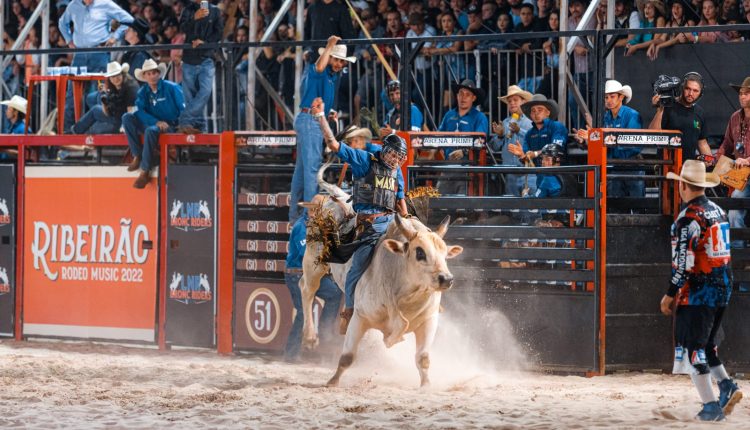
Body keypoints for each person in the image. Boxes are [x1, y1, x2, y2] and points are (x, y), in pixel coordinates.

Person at [310, 97, 408, 335]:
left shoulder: (397, 173)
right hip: (370, 226)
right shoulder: (364, 161)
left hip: (391, 222)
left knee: (418, 253)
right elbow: (334, 144)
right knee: (356, 270)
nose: (396, 160)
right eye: (393, 155)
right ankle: (350, 310)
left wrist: (408, 223)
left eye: (399, 157)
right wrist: (321, 118)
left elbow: (400, 197)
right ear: (385, 151)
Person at [661, 160, 742, 421]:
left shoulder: (687, 220)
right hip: (723, 287)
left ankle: (710, 406)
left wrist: (670, 293)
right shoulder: (717, 210)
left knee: (693, 347)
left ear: (683, 186)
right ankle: (726, 385)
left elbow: (683, 263)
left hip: (699, 292)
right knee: (707, 344)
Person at [288, 36, 355, 224]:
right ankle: (308, 218)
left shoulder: (330, 77)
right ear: (330, 58)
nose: (340, 64)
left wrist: (329, 112)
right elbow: (319, 66)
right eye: (337, 60)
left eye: (342, 61)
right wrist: (330, 46)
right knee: (311, 170)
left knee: (302, 170)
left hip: (310, 118)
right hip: (310, 120)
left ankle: (296, 217)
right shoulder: (318, 70)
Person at [58, 0, 134, 132]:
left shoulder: (105, 3)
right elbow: (62, 23)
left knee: (101, 93)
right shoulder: (73, 5)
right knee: (72, 94)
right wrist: (69, 40)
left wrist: (114, 37)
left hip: (99, 53)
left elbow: (128, 19)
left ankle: (99, 132)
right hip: (79, 54)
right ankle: (67, 133)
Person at [284, 214, 342, 362]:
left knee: (334, 293)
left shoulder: (317, 226)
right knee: (303, 311)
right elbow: (307, 255)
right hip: (297, 274)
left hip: (312, 275)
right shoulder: (301, 227)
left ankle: (324, 331)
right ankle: (291, 354)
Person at [122, 59, 185, 189]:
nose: (152, 76)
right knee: (127, 117)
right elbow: (139, 111)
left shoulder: (172, 87)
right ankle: (137, 155)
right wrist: (156, 122)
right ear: (144, 76)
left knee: (151, 130)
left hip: (170, 125)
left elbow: (183, 108)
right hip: (152, 124)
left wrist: (179, 125)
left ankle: (145, 171)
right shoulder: (143, 92)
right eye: (148, 74)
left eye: (154, 73)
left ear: (158, 73)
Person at [578, 80, 644, 197]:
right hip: (615, 165)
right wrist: (588, 140)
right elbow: (602, 142)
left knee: (636, 202)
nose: (608, 100)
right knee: (616, 203)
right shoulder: (606, 117)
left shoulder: (632, 115)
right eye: (606, 97)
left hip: (631, 164)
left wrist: (594, 136)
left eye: (612, 96)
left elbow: (631, 143)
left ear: (621, 97)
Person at [177, 0, 224, 134]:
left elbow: (219, 33)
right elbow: (182, 28)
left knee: (204, 92)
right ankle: (199, 126)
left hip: (207, 57)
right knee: (190, 95)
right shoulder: (187, 9)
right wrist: (194, 18)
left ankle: (185, 120)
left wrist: (205, 42)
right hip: (189, 57)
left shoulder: (215, 11)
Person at [715, 76, 750, 248]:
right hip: (741, 175)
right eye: (741, 93)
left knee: (736, 202)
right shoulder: (735, 117)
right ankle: (738, 251)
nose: (742, 96)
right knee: (735, 206)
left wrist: (748, 160)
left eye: (747, 93)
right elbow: (727, 144)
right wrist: (716, 160)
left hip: (746, 170)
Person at [437, 79, 489, 195]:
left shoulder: (480, 117)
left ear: (473, 98)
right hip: (448, 166)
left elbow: (480, 141)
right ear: (456, 95)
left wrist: (464, 151)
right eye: (461, 93)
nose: (463, 97)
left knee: (463, 206)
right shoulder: (449, 115)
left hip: (469, 168)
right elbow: (438, 136)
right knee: (439, 201)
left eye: (467, 94)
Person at [648, 72, 712, 160]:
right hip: (666, 166)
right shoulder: (667, 106)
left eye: (695, 90)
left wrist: (710, 160)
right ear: (682, 88)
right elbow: (653, 135)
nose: (690, 93)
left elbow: (702, 142)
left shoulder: (700, 113)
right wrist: (660, 109)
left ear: (700, 93)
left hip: (688, 168)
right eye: (687, 89)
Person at [72, 61, 138, 135]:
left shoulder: (130, 88)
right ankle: (74, 132)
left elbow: (131, 112)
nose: (116, 79)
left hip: (123, 122)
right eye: (113, 76)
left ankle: (79, 134)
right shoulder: (113, 86)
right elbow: (107, 112)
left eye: (118, 75)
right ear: (109, 78)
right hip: (115, 115)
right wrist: (104, 97)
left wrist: (124, 127)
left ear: (122, 74)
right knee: (95, 107)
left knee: (94, 129)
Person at [490, 85, 534, 196]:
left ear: (523, 102)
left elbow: (534, 141)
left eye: (515, 100)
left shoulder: (531, 121)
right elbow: (494, 147)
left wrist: (519, 130)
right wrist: (499, 136)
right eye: (509, 101)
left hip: (528, 171)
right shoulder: (505, 122)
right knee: (511, 207)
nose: (512, 103)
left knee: (529, 205)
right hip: (510, 172)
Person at [509, 94, 568, 171]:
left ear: (548, 113)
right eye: (533, 111)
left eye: (540, 110)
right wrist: (522, 156)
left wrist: (535, 154)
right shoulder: (529, 133)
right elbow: (528, 162)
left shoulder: (557, 126)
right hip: (539, 179)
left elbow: (555, 148)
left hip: (558, 177)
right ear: (530, 115)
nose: (536, 113)